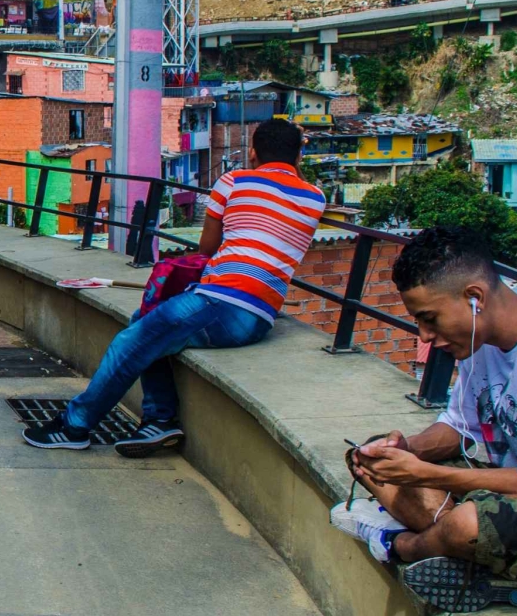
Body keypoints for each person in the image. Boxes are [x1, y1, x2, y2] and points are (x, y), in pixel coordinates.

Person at [332, 226, 517, 614]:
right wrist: (404, 449)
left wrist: (425, 476)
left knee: (469, 524)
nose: (426, 336)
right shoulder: (483, 340)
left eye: (430, 319)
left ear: (475, 298)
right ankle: (449, 545)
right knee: (370, 460)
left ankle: (401, 545)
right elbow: (458, 427)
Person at [22, 119, 325, 454]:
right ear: (298, 157)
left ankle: (74, 426)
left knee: (131, 340)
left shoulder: (234, 182)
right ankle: (158, 420)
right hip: (262, 315)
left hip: (222, 303)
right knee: (147, 321)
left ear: (252, 153)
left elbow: (207, 250)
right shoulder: (315, 198)